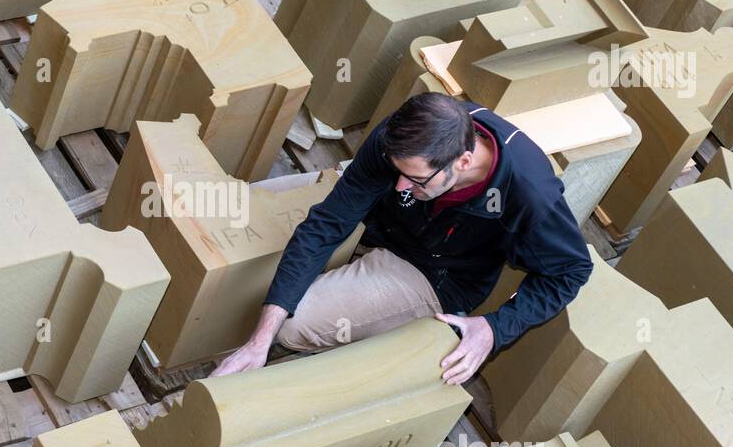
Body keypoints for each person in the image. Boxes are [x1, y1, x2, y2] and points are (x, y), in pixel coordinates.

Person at [212, 92, 594, 385]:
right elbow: (328, 223)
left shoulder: (530, 194)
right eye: (397, 171)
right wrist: (257, 340)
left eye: (415, 179)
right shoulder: (408, 136)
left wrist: (494, 328)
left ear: (462, 161)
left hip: (432, 271)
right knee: (248, 213)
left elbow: (571, 271)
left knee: (294, 325)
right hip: (380, 222)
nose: (400, 185)